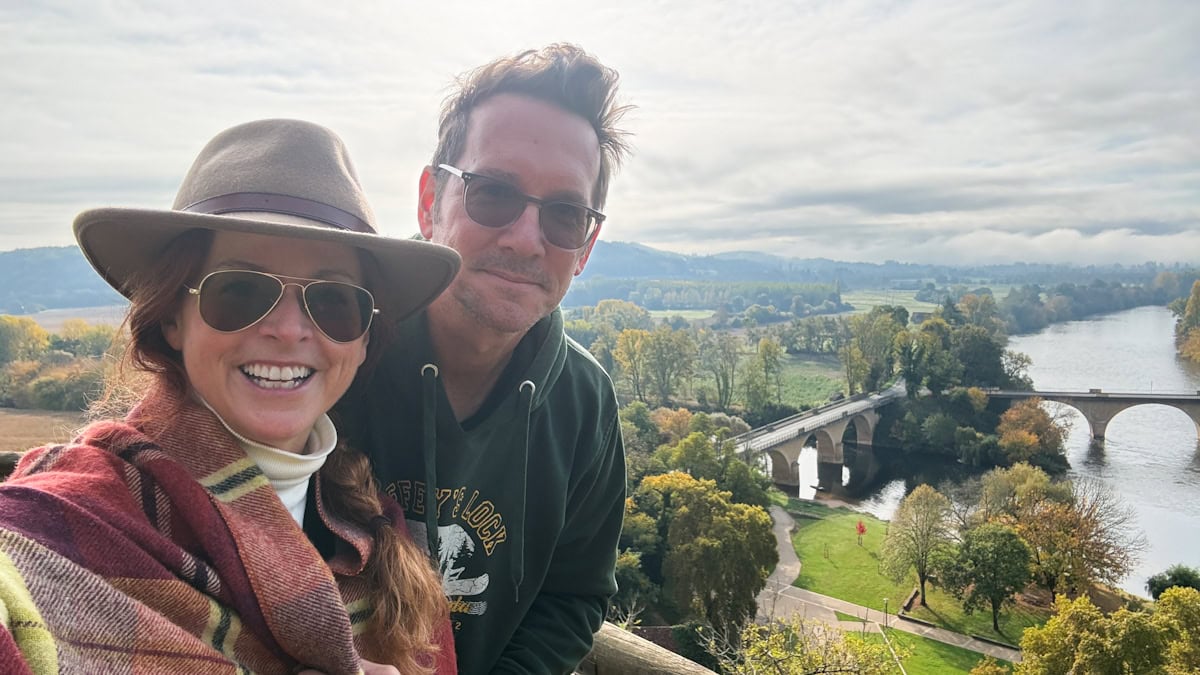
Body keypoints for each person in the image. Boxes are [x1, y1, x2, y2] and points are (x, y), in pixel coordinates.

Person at [0, 119, 461, 674]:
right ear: (173, 316)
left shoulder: (377, 537)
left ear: (363, 340)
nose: (289, 330)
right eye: (240, 290)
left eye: (334, 301)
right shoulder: (69, 518)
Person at [337, 44, 632, 674]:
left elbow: (573, 594)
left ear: (585, 245)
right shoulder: (336, 352)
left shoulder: (584, 403)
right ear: (429, 203)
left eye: (565, 214)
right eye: (494, 193)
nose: (527, 239)